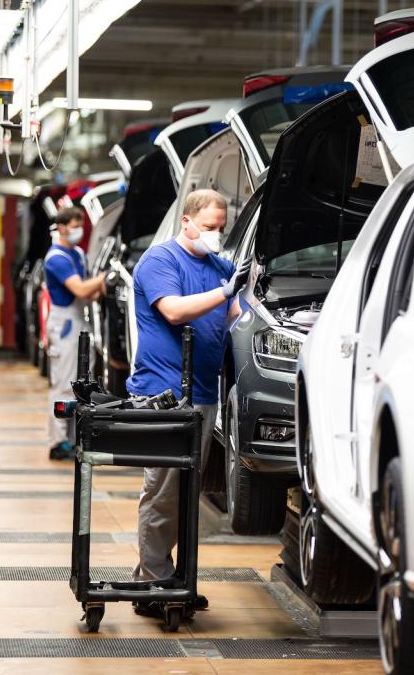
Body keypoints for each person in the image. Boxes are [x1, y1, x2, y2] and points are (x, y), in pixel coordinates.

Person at [127, 189, 250, 615]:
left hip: (202, 392)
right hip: (162, 392)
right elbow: (175, 311)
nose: (215, 235)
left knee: (185, 492)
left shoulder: (221, 267)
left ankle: (175, 579)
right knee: (162, 489)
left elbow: (236, 313)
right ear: (188, 221)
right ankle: (152, 583)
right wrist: (225, 294)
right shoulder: (161, 261)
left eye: (221, 228)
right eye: (208, 227)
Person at [45, 207, 106, 460]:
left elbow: (90, 293)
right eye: (73, 225)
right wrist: (104, 277)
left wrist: (100, 286)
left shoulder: (78, 254)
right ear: (61, 227)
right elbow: (81, 289)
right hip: (64, 324)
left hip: (81, 321)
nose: (78, 231)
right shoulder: (56, 258)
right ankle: (58, 441)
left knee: (80, 386)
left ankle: (73, 439)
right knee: (62, 384)